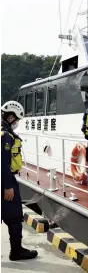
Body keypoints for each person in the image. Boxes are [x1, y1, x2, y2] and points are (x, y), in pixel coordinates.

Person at [1, 100, 38, 261]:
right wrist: (7, 186)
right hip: (5, 181)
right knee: (15, 217)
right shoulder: (5, 136)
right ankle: (16, 251)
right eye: (16, 120)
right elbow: (3, 163)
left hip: (6, 179)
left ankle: (17, 250)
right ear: (10, 118)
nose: (17, 123)